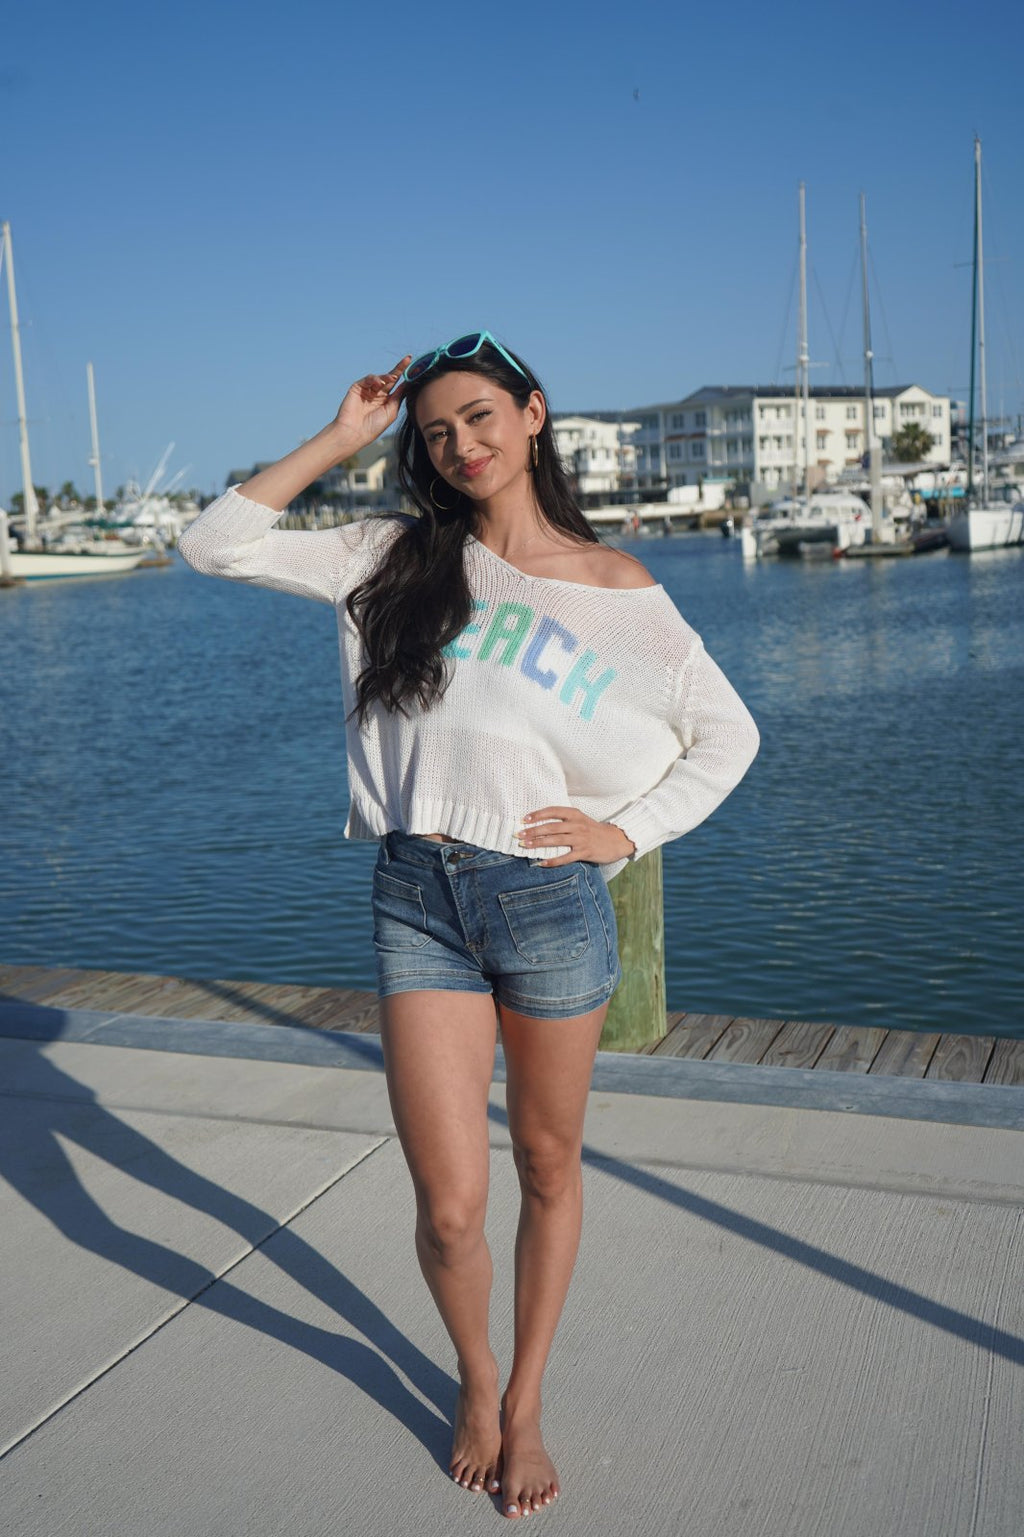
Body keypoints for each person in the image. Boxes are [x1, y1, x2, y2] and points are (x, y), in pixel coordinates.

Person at [178, 331, 759, 1519]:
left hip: (544, 899)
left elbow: (729, 737)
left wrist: (624, 831)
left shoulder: (616, 587)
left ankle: (528, 1400)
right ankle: (477, 1380)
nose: (460, 445)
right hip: (417, 897)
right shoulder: (388, 555)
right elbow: (211, 544)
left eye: (481, 417)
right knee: (448, 1210)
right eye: (436, 431)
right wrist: (344, 435)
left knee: (546, 1164)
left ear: (533, 415)